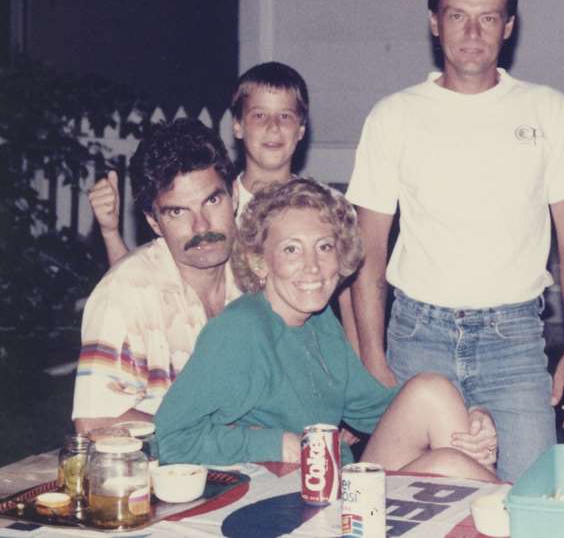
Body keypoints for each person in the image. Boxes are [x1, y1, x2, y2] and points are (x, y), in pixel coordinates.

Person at [345, 0, 564, 481]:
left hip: (513, 341)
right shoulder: (393, 116)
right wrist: (373, 356)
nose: (472, 32)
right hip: (418, 336)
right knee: (416, 502)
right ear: (434, 23)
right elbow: (367, 250)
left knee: (530, 503)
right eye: (457, 15)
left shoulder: (549, 111)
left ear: (508, 25)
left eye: (487, 17)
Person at [155, 178, 497, 480]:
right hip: (279, 497)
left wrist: (471, 417)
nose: (313, 267)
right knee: (450, 466)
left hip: (332, 479)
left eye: (324, 247)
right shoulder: (239, 330)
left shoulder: (318, 323)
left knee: (432, 390)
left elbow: (376, 409)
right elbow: (170, 439)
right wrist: (279, 444)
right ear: (261, 261)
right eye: (292, 249)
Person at [72, 118, 241, 433]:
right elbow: (95, 423)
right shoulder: (124, 294)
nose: (201, 227)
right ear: (153, 221)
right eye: (177, 211)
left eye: (212, 201)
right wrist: (218, 439)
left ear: (235, 195)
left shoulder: (259, 278)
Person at [87, 62, 310, 265]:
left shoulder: (320, 206)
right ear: (238, 126)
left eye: (285, 116)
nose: (273, 127)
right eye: (260, 115)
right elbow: (138, 285)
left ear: (301, 129)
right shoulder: (207, 202)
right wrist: (110, 231)